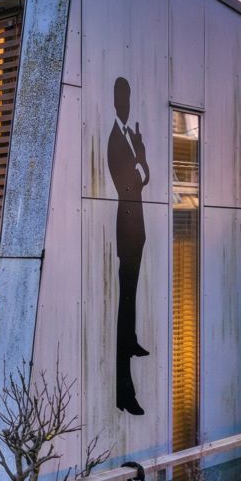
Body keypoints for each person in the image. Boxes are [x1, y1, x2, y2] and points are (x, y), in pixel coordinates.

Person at [106, 77, 148, 415]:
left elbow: (142, 178)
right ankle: (124, 392)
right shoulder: (114, 140)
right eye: (122, 98)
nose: (126, 104)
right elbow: (128, 185)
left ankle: (131, 339)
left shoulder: (129, 139)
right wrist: (137, 164)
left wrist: (142, 157)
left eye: (129, 98)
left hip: (137, 231)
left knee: (130, 298)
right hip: (127, 230)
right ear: (115, 101)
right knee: (124, 301)